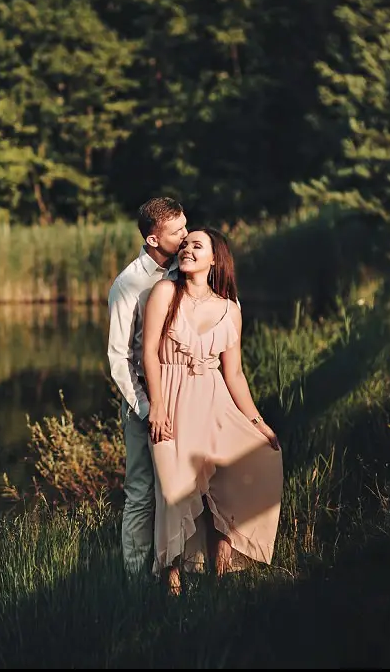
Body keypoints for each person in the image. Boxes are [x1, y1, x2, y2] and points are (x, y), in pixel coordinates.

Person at [140, 227, 283, 595]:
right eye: (184, 244)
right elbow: (149, 355)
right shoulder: (164, 293)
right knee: (173, 493)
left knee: (227, 486)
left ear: (214, 259)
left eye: (196, 245)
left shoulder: (229, 309)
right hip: (171, 400)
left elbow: (234, 373)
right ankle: (171, 587)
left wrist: (258, 422)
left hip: (215, 403)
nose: (186, 248)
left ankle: (219, 581)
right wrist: (156, 404)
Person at [106, 197, 189, 576]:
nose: (186, 236)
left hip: (187, 395)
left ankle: (185, 569)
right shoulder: (128, 285)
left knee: (185, 488)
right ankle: (138, 582)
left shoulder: (189, 269)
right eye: (177, 232)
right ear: (154, 240)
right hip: (143, 399)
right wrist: (147, 409)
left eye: (186, 226)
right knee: (142, 494)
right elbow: (119, 358)